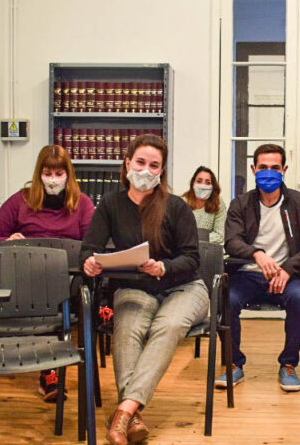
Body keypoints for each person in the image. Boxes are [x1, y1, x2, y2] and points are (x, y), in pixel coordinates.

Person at [80, 134, 207, 445]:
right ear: (127, 164)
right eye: (140, 163)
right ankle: (132, 417)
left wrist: (163, 266)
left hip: (184, 287)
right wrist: (89, 263)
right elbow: (88, 249)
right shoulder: (110, 204)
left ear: (161, 171)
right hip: (134, 286)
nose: (146, 171)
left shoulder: (176, 206)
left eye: (154, 166)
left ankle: (123, 411)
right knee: (128, 329)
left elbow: (192, 258)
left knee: (169, 325)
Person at [0, 144, 95, 401]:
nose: (53, 180)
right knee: (44, 297)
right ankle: (50, 371)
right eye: (47, 173)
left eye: (58, 174)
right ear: (38, 174)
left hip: (68, 280)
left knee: (71, 292)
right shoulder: (20, 201)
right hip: (27, 282)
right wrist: (9, 239)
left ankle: (52, 368)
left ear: (68, 175)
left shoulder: (81, 203)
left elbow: (92, 243)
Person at [218, 144, 300, 391]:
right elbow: (231, 241)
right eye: (263, 167)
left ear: (284, 169)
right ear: (253, 169)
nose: (268, 172)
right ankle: (234, 364)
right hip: (247, 274)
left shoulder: (298, 202)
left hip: (287, 276)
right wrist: (256, 253)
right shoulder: (240, 204)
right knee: (226, 300)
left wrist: (287, 269)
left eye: (275, 168)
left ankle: (288, 364)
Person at [182, 166, 227, 244]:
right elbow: (178, 234)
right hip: (184, 249)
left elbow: (220, 235)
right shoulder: (182, 202)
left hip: (208, 251)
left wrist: (194, 239)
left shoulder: (218, 202)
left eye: (207, 182)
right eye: (199, 181)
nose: (203, 185)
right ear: (193, 183)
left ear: (213, 186)